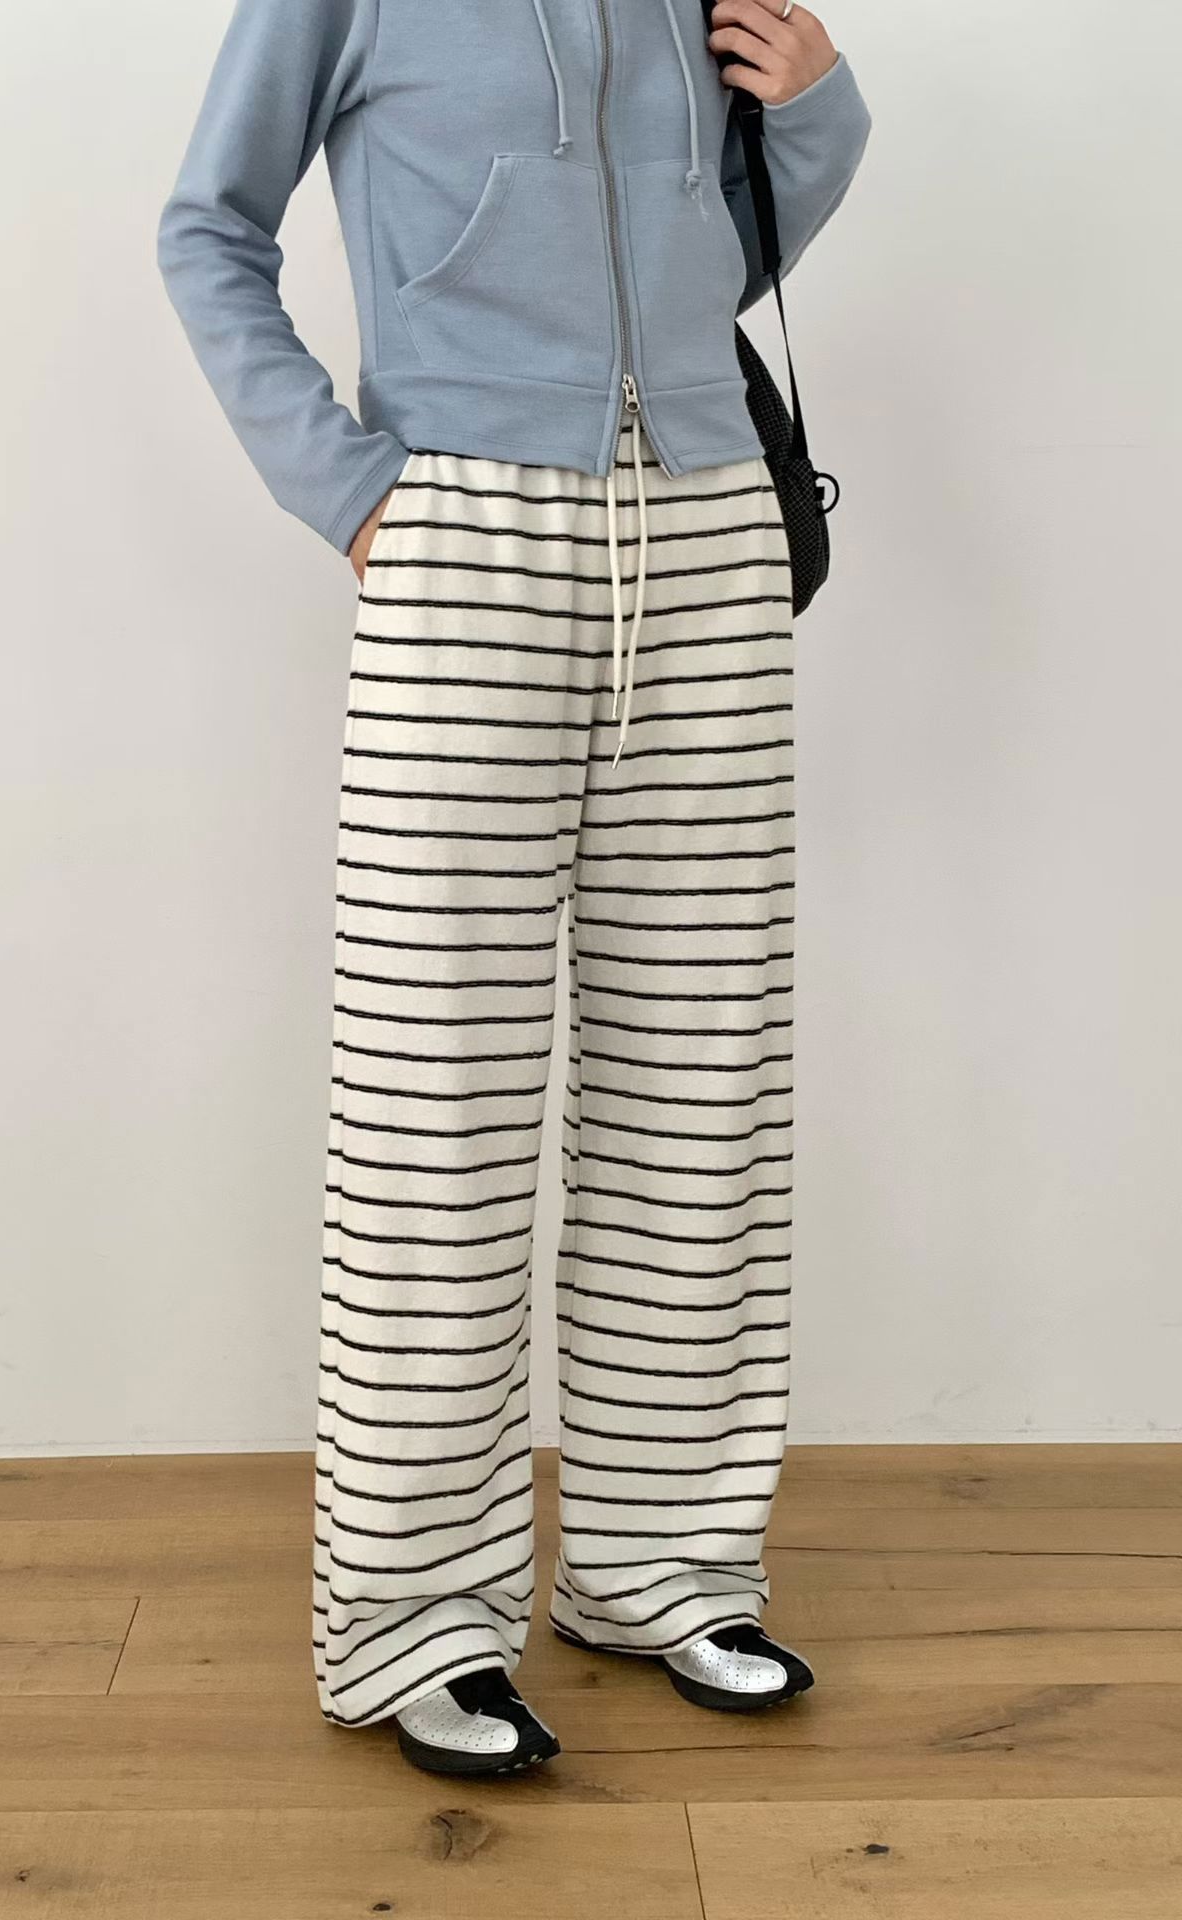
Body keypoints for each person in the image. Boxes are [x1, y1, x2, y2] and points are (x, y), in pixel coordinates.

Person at [157, 0, 870, 1778]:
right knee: (437, 1106)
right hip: (462, 528)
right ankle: (413, 1617)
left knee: (701, 1089)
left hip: (710, 526)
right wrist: (350, 489)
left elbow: (706, 249)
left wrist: (819, 116)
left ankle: (662, 1567)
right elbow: (207, 226)